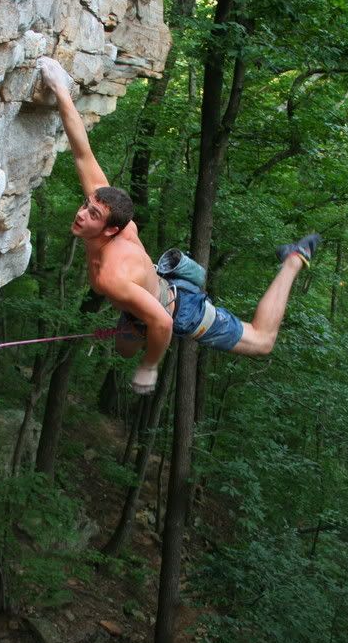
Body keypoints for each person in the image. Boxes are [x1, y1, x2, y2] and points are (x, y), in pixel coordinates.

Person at [37, 57, 321, 394]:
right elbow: (82, 152)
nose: (82, 214)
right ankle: (137, 328)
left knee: (261, 341)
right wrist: (59, 89)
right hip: (152, 291)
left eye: (93, 215)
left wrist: (149, 367)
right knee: (123, 346)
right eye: (86, 206)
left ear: (112, 229)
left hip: (180, 310)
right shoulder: (106, 207)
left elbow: (162, 321)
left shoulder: (111, 275)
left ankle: (293, 260)